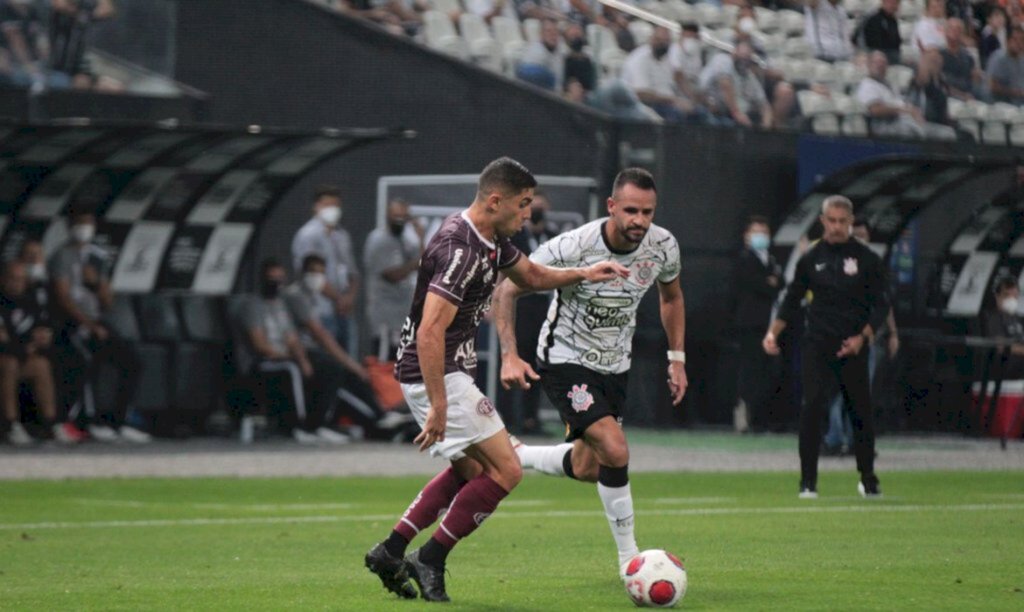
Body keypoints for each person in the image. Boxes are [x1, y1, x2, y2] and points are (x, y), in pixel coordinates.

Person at [363, 157, 628, 603]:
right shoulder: (460, 250)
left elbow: (531, 275)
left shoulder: (488, 238)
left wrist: (582, 272)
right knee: (505, 470)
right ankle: (431, 557)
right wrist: (440, 406)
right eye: (523, 205)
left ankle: (390, 550)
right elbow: (430, 331)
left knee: (470, 470)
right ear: (495, 200)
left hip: (442, 371)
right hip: (438, 374)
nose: (528, 213)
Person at [492, 167, 686, 578]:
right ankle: (630, 561)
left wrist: (676, 358)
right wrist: (510, 353)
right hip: (565, 360)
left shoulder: (663, 246)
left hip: (616, 367)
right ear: (611, 206)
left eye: (647, 212)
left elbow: (671, 296)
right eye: (631, 210)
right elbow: (506, 288)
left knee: (590, 467)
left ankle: (521, 454)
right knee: (615, 450)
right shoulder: (573, 246)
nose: (639, 220)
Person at [762, 195, 889, 499]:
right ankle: (808, 481)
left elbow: (882, 305)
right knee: (812, 407)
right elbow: (793, 299)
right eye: (831, 220)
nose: (836, 227)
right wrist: (772, 333)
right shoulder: (811, 259)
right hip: (818, 344)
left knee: (860, 412)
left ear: (850, 222)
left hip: (854, 346)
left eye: (842, 221)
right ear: (822, 221)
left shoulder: (867, 259)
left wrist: (863, 337)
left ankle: (868, 478)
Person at [284, 254, 412, 439]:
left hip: (315, 352)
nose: (317, 278)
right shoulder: (296, 295)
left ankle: (381, 414)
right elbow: (320, 335)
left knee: (354, 376)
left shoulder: (316, 297)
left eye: (321, 273)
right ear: (302, 272)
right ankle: (372, 419)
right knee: (340, 372)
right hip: (303, 353)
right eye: (312, 272)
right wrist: (351, 365)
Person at [49, 209, 148, 443]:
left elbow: (108, 301)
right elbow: (62, 297)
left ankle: (119, 421)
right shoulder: (61, 256)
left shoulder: (98, 256)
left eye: (89, 222)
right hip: (70, 324)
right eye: (80, 222)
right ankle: (88, 421)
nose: (85, 228)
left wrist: (95, 283)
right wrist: (89, 325)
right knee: (84, 361)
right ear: (70, 225)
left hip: (97, 321)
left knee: (132, 361)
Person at [241, 259, 347, 444]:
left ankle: (317, 424)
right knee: (292, 369)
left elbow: (292, 338)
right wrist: (291, 358)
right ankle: (297, 426)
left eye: (280, 279)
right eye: (272, 279)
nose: (276, 284)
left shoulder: (281, 304)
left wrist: (302, 359)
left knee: (329, 367)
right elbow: (259, 344)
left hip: (285, 356)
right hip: (263, 360)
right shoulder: (253, 305)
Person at [822, 219, 899, 455]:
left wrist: (892, 332)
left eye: (864, 235)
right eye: (856, 235)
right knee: (835, 390)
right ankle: (834, 438)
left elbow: (884, 303)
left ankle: (857, 440)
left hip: (867, 339)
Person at [1, 261, 83, 445]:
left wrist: (43, 336)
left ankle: (51, 423)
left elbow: (40, 329)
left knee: (41, 365)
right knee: (9, 363)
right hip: (7, 359)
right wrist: (26, 345)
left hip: (22, 355)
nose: (16, 283)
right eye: (12, 279)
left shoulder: (30, 302)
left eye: (21, 280)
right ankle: (11, 424)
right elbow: (4, 341)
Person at [500, 191, 560, 434]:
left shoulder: (554, 238)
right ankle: (505, 417)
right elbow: (503, 271)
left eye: (541, 209)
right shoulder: (515, 237)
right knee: (512, 358)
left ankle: (530, 418)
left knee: (537, 363)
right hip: (518, 306)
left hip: (543, 309)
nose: (536, 214)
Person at [291, 185, 360, 351]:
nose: (333, 209)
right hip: (320, 309)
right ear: (316, 206)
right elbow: (312, 277)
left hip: (344, 311)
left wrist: (349, 297)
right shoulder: (308, 235)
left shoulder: (342, 236)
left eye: (336, 205)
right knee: (328, 358)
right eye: (327, 205)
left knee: (350, 358)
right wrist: (338, 299)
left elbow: (353, 272)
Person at [732, 216, 783, 434]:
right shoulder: (744, 258)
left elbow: (780, 284)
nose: (761, 236)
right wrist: (769, 282)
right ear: (746, 236)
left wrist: (772, 282)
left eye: (764, 232)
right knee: (749, 370)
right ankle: (743, 416)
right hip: (751, 324)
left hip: (770, 325)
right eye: (756, 232)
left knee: (768, 372)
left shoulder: (771, 260)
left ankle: (762, 418)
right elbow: (761, 285)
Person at [363, 198, 424, 360]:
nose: (399, 220)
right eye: (396, 216)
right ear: (388, 215)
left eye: (403, 217)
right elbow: (392, 275)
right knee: (384, 364)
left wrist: (421, 238)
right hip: (385, 318)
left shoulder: (405, 241)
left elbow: (424, 262)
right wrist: (414, 264)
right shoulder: (379, 240)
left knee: (401, 364)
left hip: (402, 316)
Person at [856, 51, 957, 140]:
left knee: (948, 133)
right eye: (876, 62)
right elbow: (875, 110)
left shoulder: (890, 85)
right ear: (869, 65)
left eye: (883, 63)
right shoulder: (867, 85)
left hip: (906, 121)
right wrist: (905, 110)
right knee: (914, 131)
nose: (880, 65)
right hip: (884, 125)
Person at [941, 18, 986, 101]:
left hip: (969, 94)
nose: (955, 32)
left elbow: (974, 79)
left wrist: (977, 78)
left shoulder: (967, 56)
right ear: (945, 32)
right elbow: (940, 85)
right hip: (949, 97)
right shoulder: (939, 56)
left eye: (958, 29)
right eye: (951, 29)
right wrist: (961, 96)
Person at [987, 26, 1024, 106]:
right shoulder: (998, 58)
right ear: (1008, 41)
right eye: (1015, 40)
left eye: (1022, 40)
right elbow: (992, 86)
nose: (1019, 43)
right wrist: (1015, 92)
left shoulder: (1022, 59)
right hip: (1001, 105)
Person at [856, 0, 902, 65]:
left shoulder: (893, 21)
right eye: (891, 3)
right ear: (884, 2)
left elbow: (896, 43)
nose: (894, 6)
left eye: (896, 3)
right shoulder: (872, 18)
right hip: (873, 56)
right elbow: (858, 39)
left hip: (892, 56)